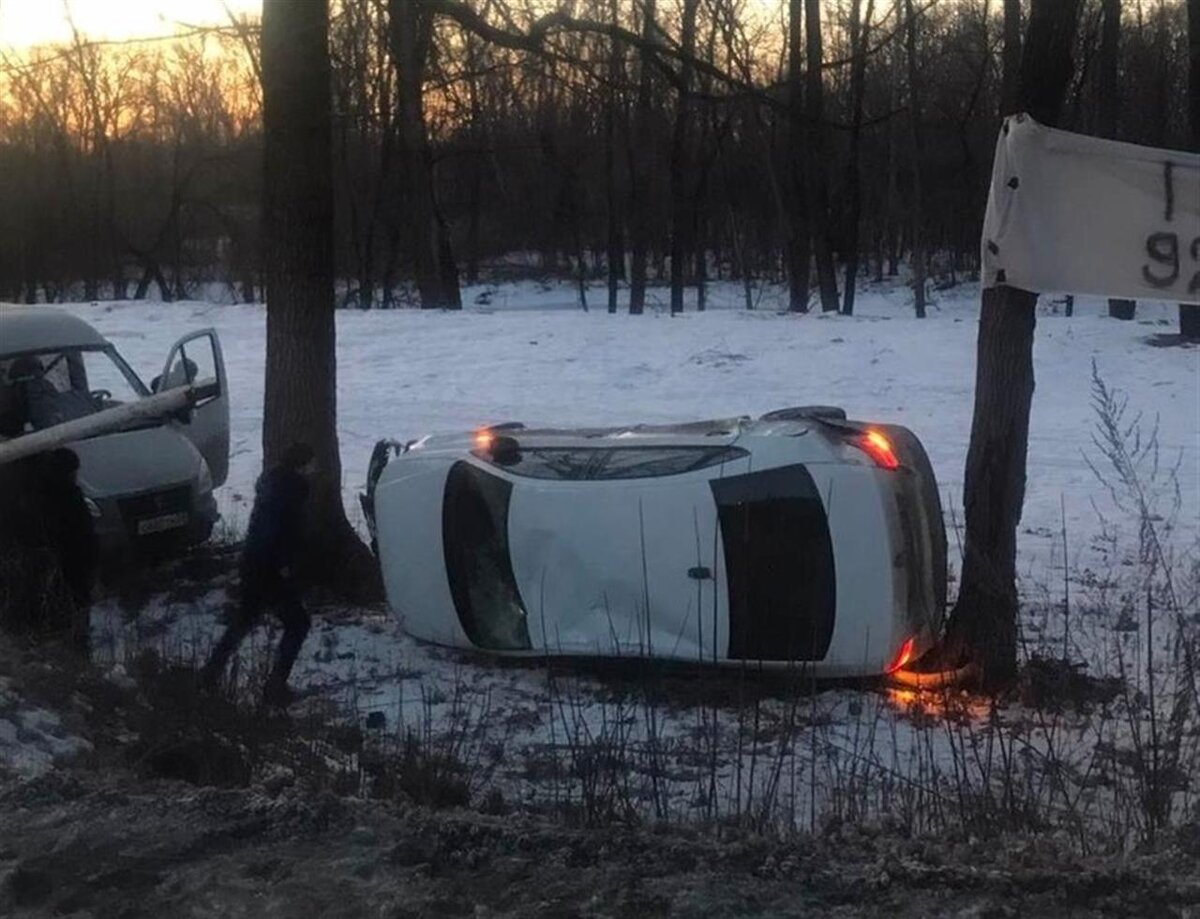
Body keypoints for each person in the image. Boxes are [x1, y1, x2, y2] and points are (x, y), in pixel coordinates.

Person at [201, 443, 316, 706]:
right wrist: (283, 564)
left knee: (245, 620)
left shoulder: (273, 485)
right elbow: (278, 533)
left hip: (254, 565)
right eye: (311, 464)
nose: (314, 469)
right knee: (298, 624)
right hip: (270, 571)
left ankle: (211, 672)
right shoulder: (291, 492)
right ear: (302, 465)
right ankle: (276, 686)